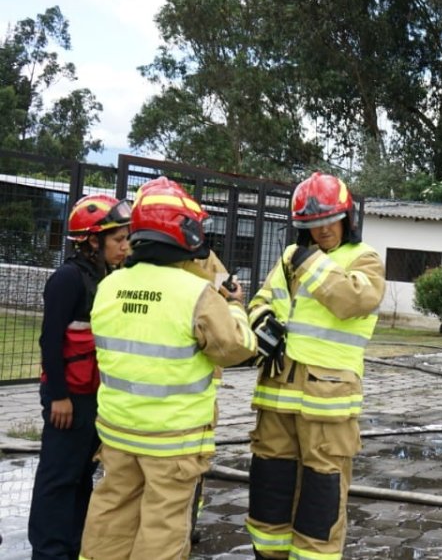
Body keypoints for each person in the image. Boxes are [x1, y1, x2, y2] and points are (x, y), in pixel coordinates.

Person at [78, 177, 257, 560]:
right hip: (172, 440)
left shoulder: (110, 286)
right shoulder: (195, 294)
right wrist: (237, 307)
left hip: (118, 431)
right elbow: (235, 347)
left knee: (111, 514)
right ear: (182, 230)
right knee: (161, 526)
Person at [245, 172, 385, 560]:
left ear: (347, 218)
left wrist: (309, 262)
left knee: (320, 499)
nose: (321, 231)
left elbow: (352, 299)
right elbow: (260, 301)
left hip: (327, 402)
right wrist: (263, 323)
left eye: (328, 222)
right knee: (270, 491)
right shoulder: (290, 260)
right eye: (311, 225)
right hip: (276, 395)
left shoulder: (364, 259)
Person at [28, 194, 131, 560]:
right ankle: (49, 551)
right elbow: (49, 340)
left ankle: (74, 547)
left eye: (126, 238)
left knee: (82, 475)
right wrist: (58, 396)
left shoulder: (108, 277)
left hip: (94, 397)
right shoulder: (67, 279)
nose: (125, 246)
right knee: (58, 478)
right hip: (67, 397)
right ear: (92, 240)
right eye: (118, 239)